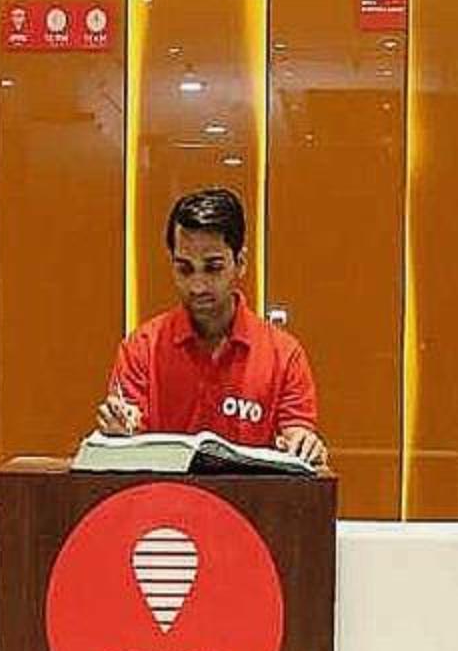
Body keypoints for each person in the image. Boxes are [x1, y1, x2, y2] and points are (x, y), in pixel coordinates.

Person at [96, 187, 328, 470]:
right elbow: (125, 452)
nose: (198, 286)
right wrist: (118, 435)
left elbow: (296, 437)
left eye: (213, 268)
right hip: (163, 499)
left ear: (240, 263)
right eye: (185, 268)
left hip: (248, 500)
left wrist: (304, 445)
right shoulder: (141, 349)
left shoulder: (285, 356)